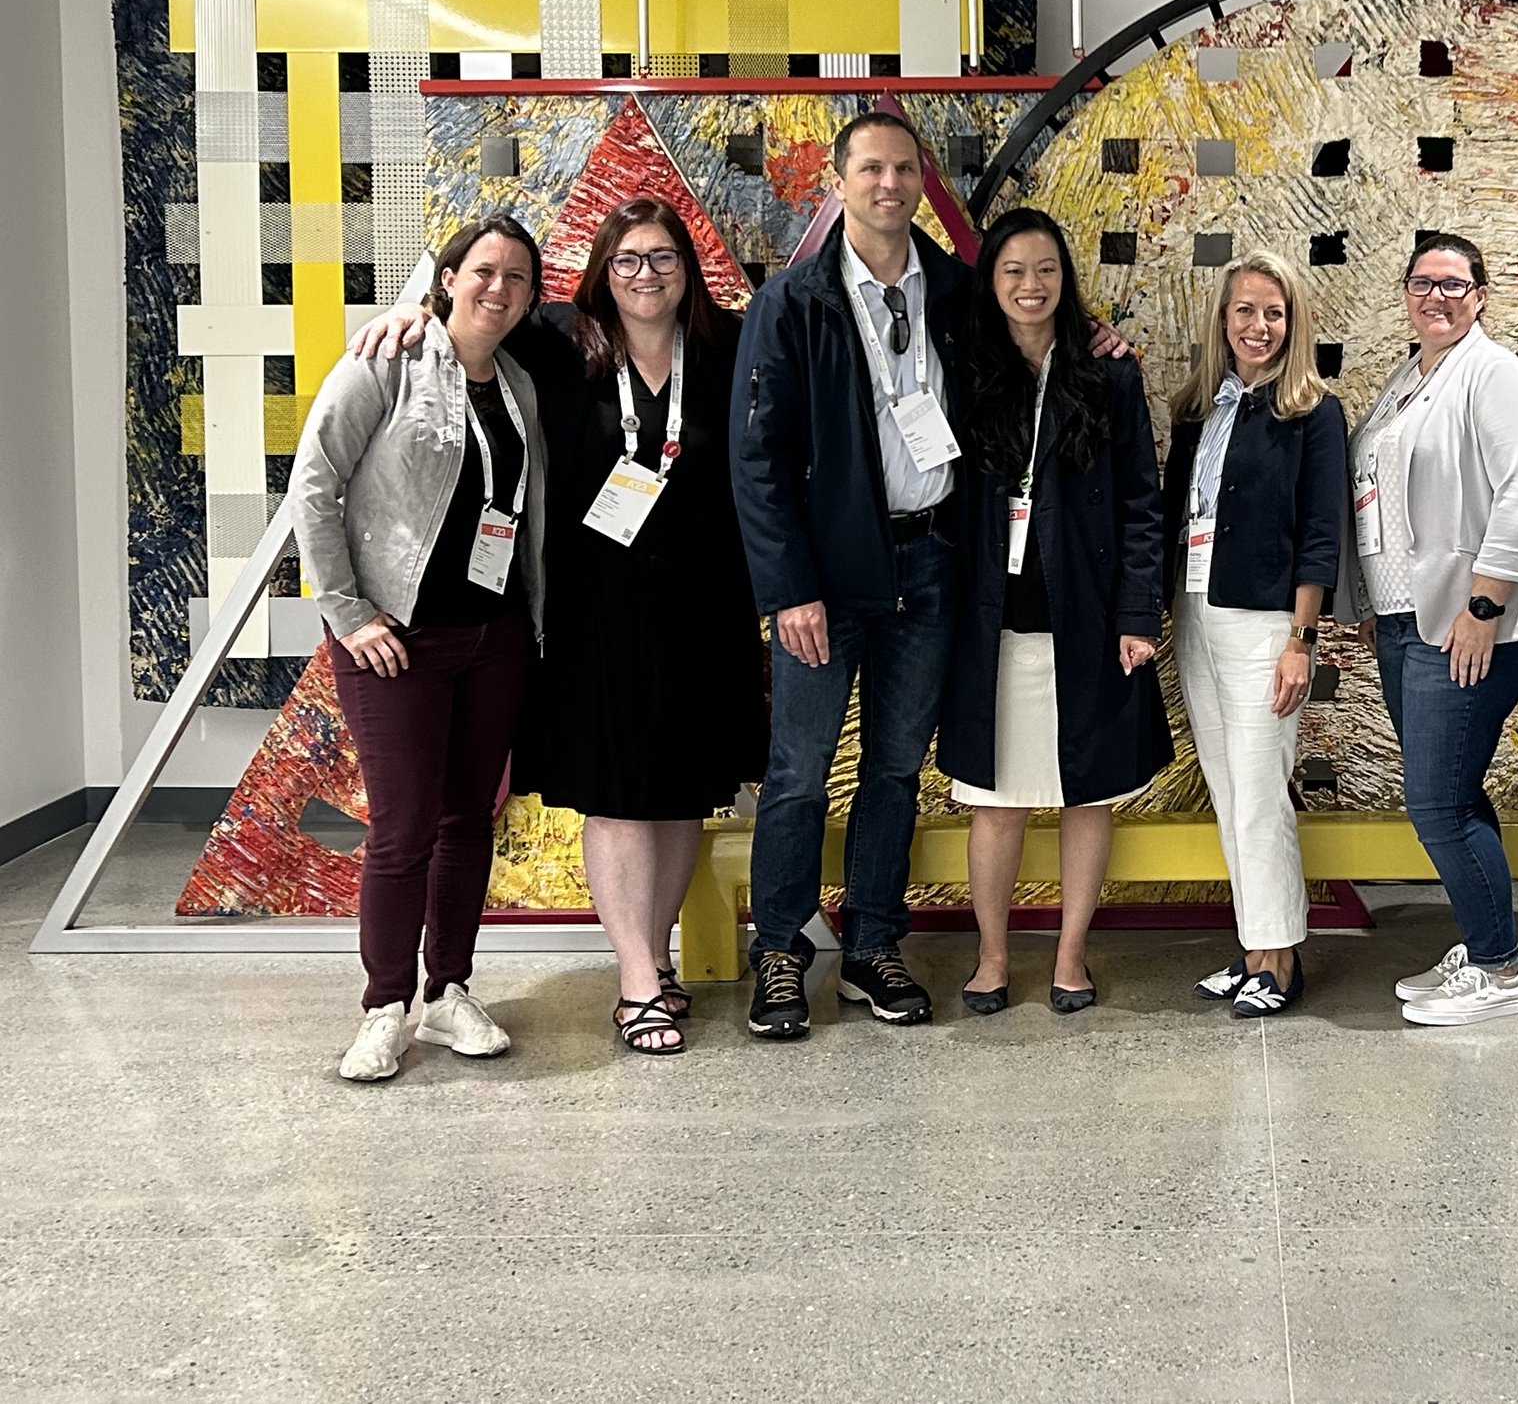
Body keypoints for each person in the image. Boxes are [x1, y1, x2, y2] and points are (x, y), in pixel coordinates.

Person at [351, 198, 763, 1056]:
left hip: (703, 606)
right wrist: (410, 307)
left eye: (662, 258)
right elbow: (475, 310)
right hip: (593, 609)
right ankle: (637, 980)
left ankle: (658, 956)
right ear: (601, 273)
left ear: (687, 269)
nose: (645, 274)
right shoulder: (559, 344)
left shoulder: (727, 348)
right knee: (614, 790)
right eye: (627, 259)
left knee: (683, 789)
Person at [290, 214, 547, 1083]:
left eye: (517, 277)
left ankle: (448, 990)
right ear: (445, 278)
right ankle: (384, 1005)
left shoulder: (518, 384)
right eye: (483, 270)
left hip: (494, 637)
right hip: (395, 640)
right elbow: (313, 482)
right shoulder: (385, 360)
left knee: (466, 821)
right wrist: (349, 610)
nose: (498, 288)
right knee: (401, 827)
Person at [730, 113, 967, 1038]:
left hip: (929, 564)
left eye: (904, 168)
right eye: (870, 168)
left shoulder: (954, 288)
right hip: (824, 578)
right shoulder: (791, 303)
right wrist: (788, 588)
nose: (889, 184)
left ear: (920, 179)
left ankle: (872, 944)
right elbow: (757, 461)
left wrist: (1097, 343)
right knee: (797, 772)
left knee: (896, 770)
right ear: (837, 182)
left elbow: (1021, 363)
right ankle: (781, 951)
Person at [938, 208, 1170, 1015]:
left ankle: (1071, 955)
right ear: (990, 283)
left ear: (1065, 279)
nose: (1030, 286)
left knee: (1087, 793)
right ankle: (993, 955)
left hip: (1088, 619)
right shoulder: (963, 369)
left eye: (1045, 269)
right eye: (1012, 271)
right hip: (989, 622)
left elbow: (1145, 502)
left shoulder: (1108, 372)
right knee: (993, 802)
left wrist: (1139, 613)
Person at [1347, 234, 1518, 1027]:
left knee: (1435, 802)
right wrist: (1380, 608)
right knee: (1456, 790)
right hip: (1410, 620)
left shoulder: (1493, 373)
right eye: (1422, 282)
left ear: (1481, 294)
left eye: (1453, 283)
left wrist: (1483, 609)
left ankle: (1501, 968)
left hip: (1472, 622)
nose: (1436, 295)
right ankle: (1484, 941)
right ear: (1405, 292)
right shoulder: (1410, 377)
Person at [1163, 253, 1346, 1016]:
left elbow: (1320, 533)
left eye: (1273, 313)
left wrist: (1301, 637)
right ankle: (1252, 948)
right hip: (1196, 613)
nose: (1258, 326)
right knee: (1229, 787)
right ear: (1223, 319)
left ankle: (1282, 958)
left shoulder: (1314, 411)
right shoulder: (1198, 407)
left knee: (1262, 791)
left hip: (1265, 623)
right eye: (1244, 311)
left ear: (1292, 321)